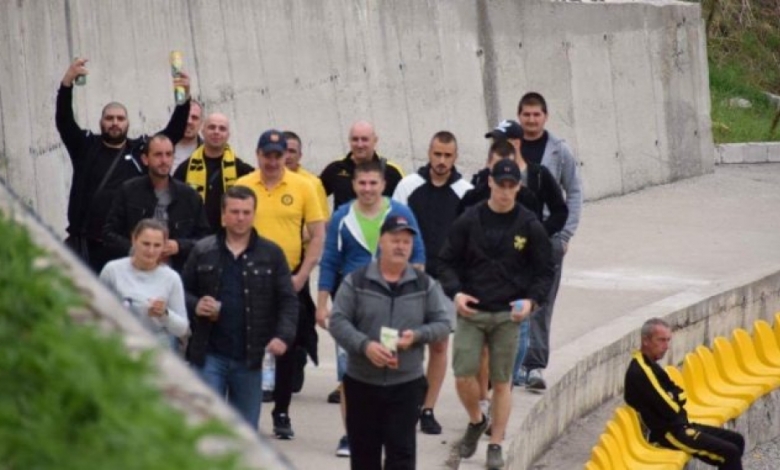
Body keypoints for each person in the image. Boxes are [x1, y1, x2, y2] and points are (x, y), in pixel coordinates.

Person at [438, 159, 554, 468]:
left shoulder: (529, 225)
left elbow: (545, 270)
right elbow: (445, 261)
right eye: (500, 184)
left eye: (511, 185)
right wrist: (456, 292)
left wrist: (532, 301)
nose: (505, 191)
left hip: (507, 315)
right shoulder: (469, 219)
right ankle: (477, 419)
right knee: (463, 374)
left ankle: (496, 444)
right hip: (472, 311)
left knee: (502, 382)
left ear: (518, 187)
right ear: (490, 182)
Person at [318, 160, 426, 457]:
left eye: (373, 183)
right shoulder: (342, 216)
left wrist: (412, 297)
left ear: (383, 185)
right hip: (351, 306)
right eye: (362, 183)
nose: (367, 189)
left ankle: (389, 432)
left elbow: (418, 256)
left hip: (391, 306)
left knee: (388, 369)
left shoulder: (400, 213)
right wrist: (322, 304)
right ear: (354, 185)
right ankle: (351, 434)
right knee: (350, 374)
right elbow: (329, 261)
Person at [329, 215, 451, 470]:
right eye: (395, 240)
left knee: (401, 456)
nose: (400, 246)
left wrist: (416, 336)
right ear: (381, 242)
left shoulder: (424, 284)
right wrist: (365, 346)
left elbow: (442, 323)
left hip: (406, 385)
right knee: (364, 457)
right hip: (362, 383)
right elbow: (338, 321)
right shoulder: (357, 281)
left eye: (406, 242)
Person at [56, 57, 191, 273]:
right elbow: (64, 121)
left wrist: (184, 99)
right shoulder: (85, 147)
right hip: (86, 247)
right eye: (109, 118)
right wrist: (66, 84)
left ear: (128, 123)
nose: (115, 123)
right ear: (101, 122)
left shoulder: (140, 151)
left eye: (120, 118)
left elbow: (173, 132)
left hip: (125, 248)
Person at [182, 185, 298, 429]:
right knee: (206, 427)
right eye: (234, 212)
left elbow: (288, 300)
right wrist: (195, 304)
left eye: (246, 212)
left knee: (245, 432)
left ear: (254, 214)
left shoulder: (271, 254)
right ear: (223, 215)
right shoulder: (203, 250)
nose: (240, 218)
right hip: (209, 354)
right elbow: (181, 291)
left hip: (251, 357)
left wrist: (282, 336)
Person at [236, 129, 326, 440]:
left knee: (286, 346)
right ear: (258, 155)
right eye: (267, 155)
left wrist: (302, 276)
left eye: (278, 155)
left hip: (288, 278)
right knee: (246, 348)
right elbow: (231, 229)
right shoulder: (243, 185)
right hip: (248, 277)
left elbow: (318, 235)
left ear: (286, 155)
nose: (273, 161)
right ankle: (244, 414)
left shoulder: (304, 186)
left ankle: (282, 411)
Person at [392, 131, 471, 435]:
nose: (441, 161)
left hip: (446, 284)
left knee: (439, 345)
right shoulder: (408, 186)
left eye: (447, 155)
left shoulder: (466, 192)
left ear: (455, 157)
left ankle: (427, 409)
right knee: (399, 342)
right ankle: (398, 404)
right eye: (437, 154)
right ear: (429, 153)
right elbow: (392, 230)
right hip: (408, 280)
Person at [517, 92, 583, 391]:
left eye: (536, 115)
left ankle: (534, 365)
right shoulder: (510, 147)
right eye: (526, 114)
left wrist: (565, 234)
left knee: (541, 304)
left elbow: (575, 191)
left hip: (549, 237)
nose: (531, 120)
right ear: (519, 116)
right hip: (514, 238)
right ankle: (513, 364)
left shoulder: (559, 151)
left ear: (545, 117)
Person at [625, 318, 745, 469]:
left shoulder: (651, 365)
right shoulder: (641, 371)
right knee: (730, 452)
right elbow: (670, 408)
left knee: (736, 440)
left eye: (668, 340)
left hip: (681, 425)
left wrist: (673, 396)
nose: (666, 346)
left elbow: (680, 393)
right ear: (646, 341)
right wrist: (674, 397)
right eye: (661, 340)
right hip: (668, 433)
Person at [103, 134, 209, 272]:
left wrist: (179, 246)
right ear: (145, 159)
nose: (164, 160)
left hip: (176, 273)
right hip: (134, 271)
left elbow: (205, 239)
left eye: (169, 154)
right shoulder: (128, 191)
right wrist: (137, 248)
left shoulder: (190, 196)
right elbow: (109, 234)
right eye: (158, 155)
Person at [100, 219, 189, 350]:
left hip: (155, 349)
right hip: (118, 344)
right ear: (134, 240)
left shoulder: (171, 278)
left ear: (164, 246)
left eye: (157, 245)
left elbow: (182, 328)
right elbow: (94, 309)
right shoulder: (112, 270)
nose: (151, 251)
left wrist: (165, 314)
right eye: (146, 244)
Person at [174, 113, 254, 232]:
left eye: (222, 129)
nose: (216, 132)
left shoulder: (243, 170)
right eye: (212, 127)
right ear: (203, 131)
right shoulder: (185, 169)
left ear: (228, 135)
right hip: (196, 236)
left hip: (230, 235)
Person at [319, 120, 404, 212]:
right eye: (355, 139)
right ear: (349, 141)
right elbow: (314, 196)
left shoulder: (392, 171)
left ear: (375, 140)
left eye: (364, 139)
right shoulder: (335, 169)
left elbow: (405, 205)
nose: (360, 145)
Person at [173, 99, 203, 170]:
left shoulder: (209, 152)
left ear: (201, 123)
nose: (189, 121)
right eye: (184, 116)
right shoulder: (159, 147)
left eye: (194, 118)